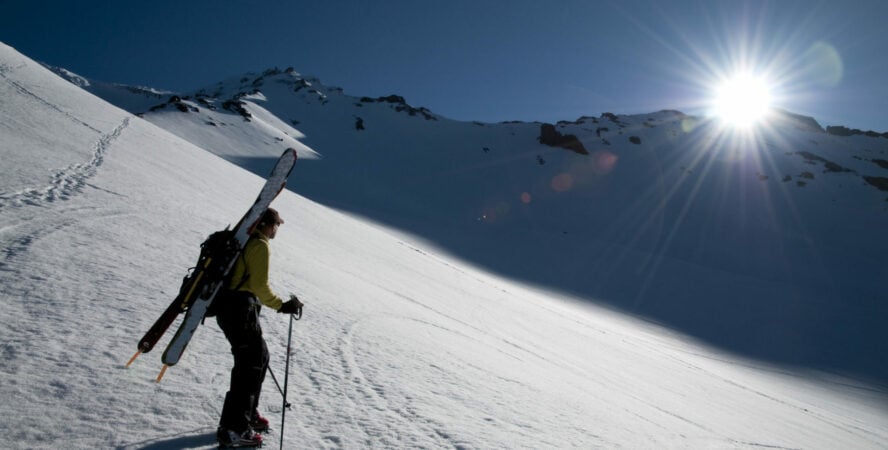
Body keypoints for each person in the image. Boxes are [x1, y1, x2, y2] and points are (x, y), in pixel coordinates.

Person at [215, 207, 303, 448]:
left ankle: (247, 415)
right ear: (265, 224)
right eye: (275, 225)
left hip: (232, 310)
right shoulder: (259, 245)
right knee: (249, 367)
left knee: (259, 359)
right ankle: (234, 428)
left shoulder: (247, 241)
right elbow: (259, 286)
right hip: (240, 311)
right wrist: (282, 306)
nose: (277, 229)